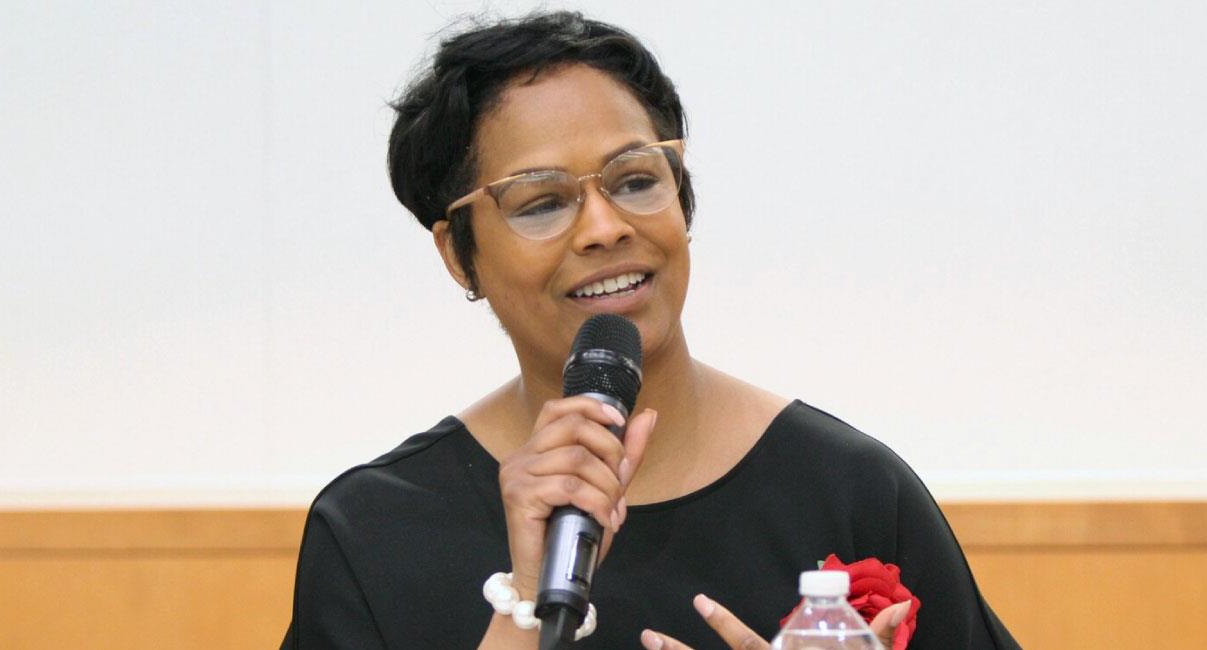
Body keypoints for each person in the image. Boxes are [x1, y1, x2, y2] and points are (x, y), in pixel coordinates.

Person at [282, 11, 1019, 649]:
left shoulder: (852, 492)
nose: (606, 227)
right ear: (457, 253)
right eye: (541, 203)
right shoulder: (374, 533)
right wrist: (525, 602)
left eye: (636, 181)